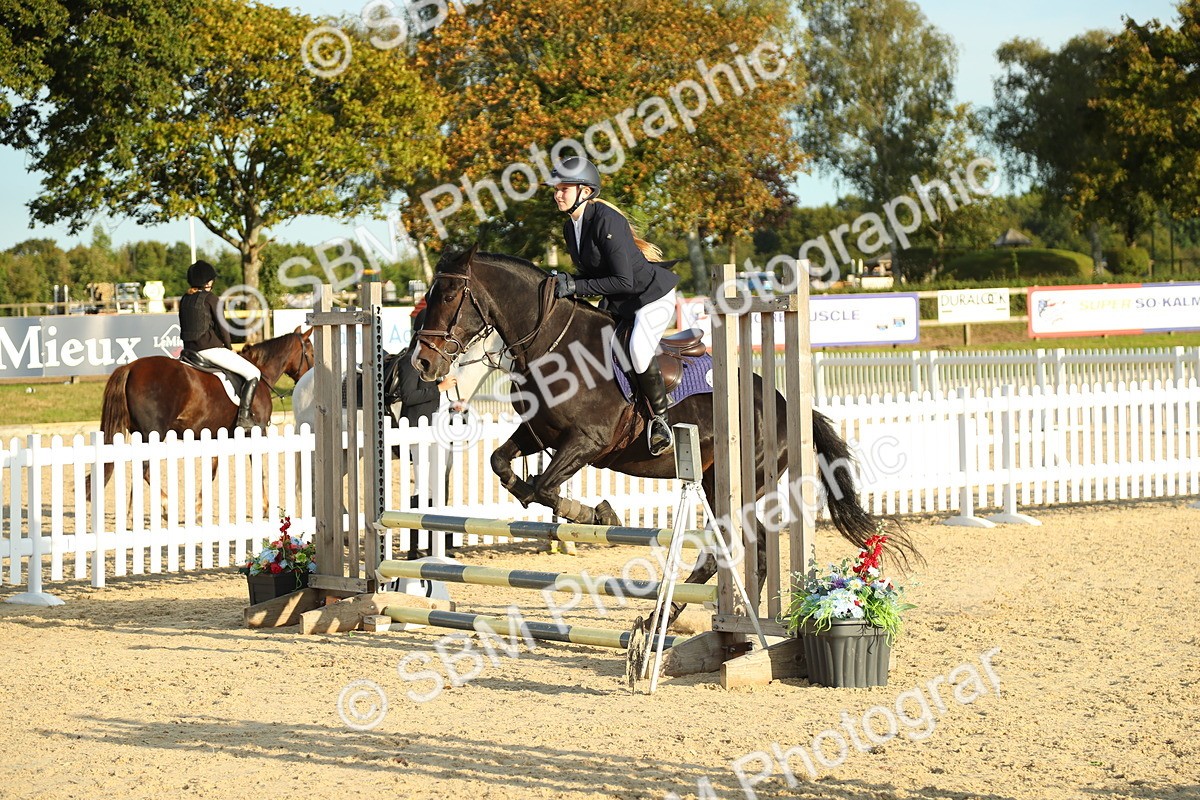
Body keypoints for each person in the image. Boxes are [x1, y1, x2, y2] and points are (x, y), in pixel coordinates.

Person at [549, 155, 680, 456]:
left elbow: (622, 280)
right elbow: (594, 274)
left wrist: (577, 286)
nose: (557, 194)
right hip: (622, 303)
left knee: (637, 350)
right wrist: (567, 280)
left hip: (650, 299)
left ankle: (661, 421)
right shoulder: (572, 229)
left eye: (563, 188)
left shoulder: (607, 221)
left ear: (584, 191)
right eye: (556, 188)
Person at [398, 301, 460, 559]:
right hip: (420, 432)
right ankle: (414, 547)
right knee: (423, 488)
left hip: (441, 429)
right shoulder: (409, 360)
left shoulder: (436, 360)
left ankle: (441, 543)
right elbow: (409, 396)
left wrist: (452, 404)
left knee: (441, 486)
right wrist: (440, 389)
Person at [178, 260, 262, 430]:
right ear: (208, 282)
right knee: (254, 372)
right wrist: (229, 347)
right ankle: (244, 417)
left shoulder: (185, 299)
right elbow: (223, 328)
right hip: (210, 349)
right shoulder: (211, 298)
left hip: (188, 351)